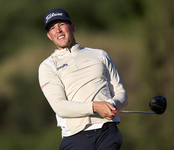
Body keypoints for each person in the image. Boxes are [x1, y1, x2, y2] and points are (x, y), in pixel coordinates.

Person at [38, 8, 128, 150]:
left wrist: (111, 104)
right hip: (75, 137)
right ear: (49, 36)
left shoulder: (100, 55)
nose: (58, 30)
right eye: (53, 28)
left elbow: (122, 94)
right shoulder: (48, 66)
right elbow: (59, 106)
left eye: (61, 24)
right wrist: (95, 106)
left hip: (107, 132)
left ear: (72, 27)